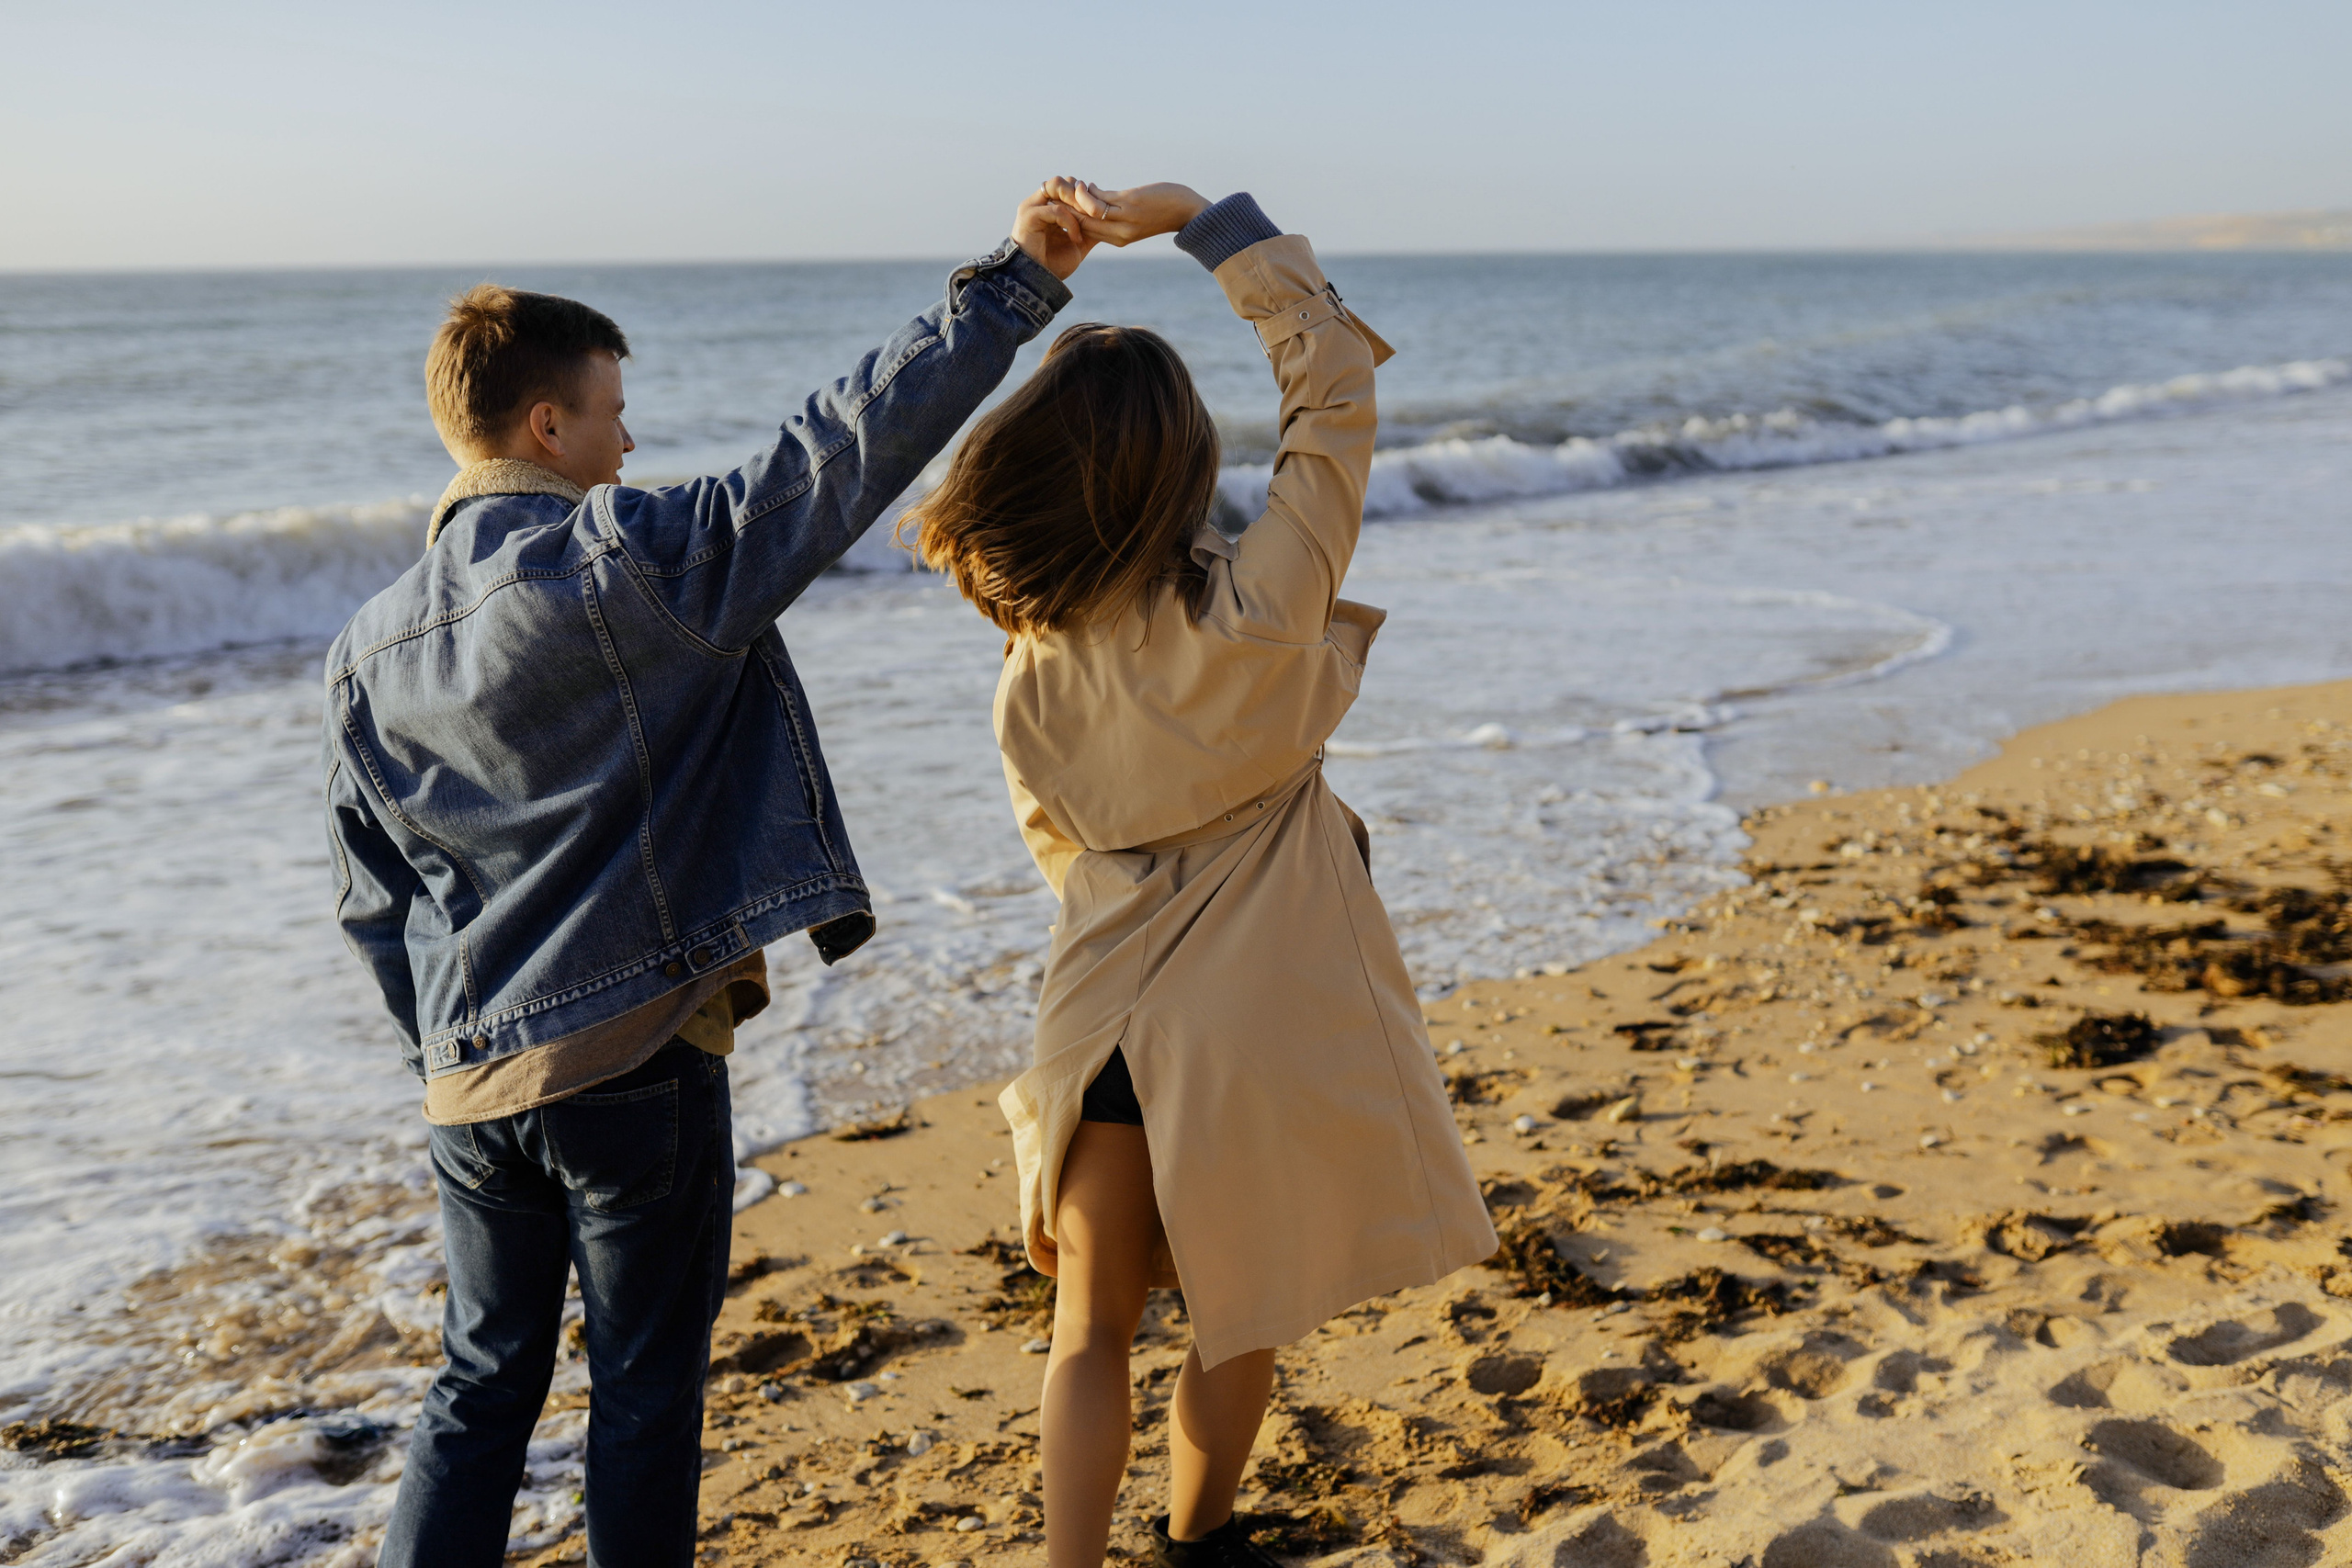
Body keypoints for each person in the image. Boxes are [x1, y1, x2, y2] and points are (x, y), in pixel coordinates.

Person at [324, 183, 1097, 1568]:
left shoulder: (364, 648)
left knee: (478, 1386)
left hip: (471, 1086)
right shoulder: (632, 562)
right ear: (545, 425)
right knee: (641, 1394)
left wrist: (446, 1053)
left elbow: (373, 902)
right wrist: (1016, 282)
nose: (627, 442)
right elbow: (836, 455)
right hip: (633, 1057)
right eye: (611, 413)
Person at [902, 180, 1498, 1568]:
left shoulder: (1030, 659)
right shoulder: (1262, 607)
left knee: (1088, 1330)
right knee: (1242, 1311)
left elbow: (1058, 849)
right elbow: (1332, 395)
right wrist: (1206, 225)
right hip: (1250, 1019)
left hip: (1098, 1008)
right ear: (1182, 467)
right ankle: (1200, 1539)